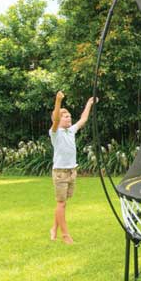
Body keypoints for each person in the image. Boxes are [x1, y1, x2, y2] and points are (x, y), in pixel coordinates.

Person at [49, 91, 95, 244]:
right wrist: (58, 101)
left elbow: (83, 119)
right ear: (58, 120)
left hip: (71, 171)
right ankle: (65, 235)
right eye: (65, 116)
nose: (69, 118)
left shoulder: (71, 131)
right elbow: (55, 118)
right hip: (60, 173)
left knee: (63, 203)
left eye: (69, 116)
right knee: (61, 203)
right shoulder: (55, 132)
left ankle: (54, 229)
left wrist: (89, 103)